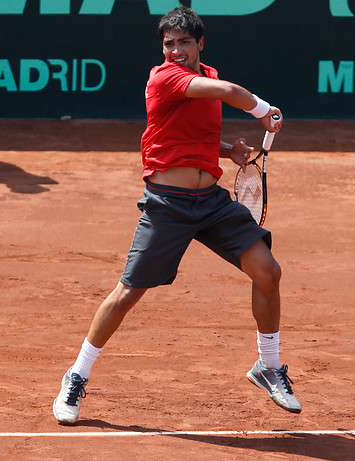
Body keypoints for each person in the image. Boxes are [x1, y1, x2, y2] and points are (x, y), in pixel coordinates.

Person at [53, 6, 301, 425]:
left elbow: (193, 132)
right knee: (128, 293)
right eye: (169, 43)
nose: (175, 50)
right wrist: (263, 110)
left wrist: (228, 151)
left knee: (268, 271)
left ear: (200, 43)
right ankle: (76, 376)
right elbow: (227, 92)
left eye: (184, 42)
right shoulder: (164, 76)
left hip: (212, 203)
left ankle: (269, 366)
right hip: (167, 205)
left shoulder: (204, 76)